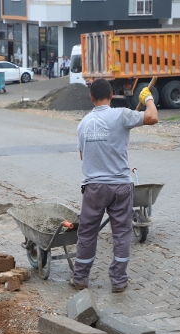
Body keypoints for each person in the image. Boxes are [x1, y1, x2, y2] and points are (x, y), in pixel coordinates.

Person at [70, 79, 158, 293]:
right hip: (120, 186)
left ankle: (80, 278)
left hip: (93, 188)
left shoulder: (83, 124)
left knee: (87, 234)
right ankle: (118, 281)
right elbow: (153, 117)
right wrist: (147, 97)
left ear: (92, 98)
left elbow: (84, 157)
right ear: (111, 95)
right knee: (121, 234)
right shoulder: (122, 115)